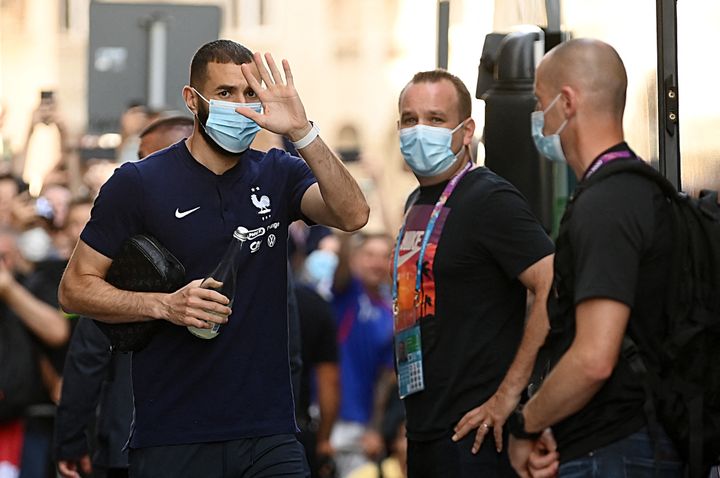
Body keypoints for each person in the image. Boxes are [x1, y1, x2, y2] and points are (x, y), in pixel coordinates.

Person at [58, 39, 368, 477]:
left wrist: (303, 131)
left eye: (250, 95)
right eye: (225, 94)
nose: (240, 107)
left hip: (270, 434)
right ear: (193, 100)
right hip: (173, 433)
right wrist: (165, 305)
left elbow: (354, 214)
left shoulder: (278, 171)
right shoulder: (138, 183)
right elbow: (74, 289)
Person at [506, 38, 683, 477]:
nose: (538, 118)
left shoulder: (607, 204)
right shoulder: (644, 191)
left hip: (617, 451)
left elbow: (593, 358)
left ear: (566, 103)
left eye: (540, 103)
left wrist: (526, 424)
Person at [394, 69, 554, 477]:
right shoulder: (417, 201)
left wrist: (509, 397)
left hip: (477, 437)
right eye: (410, 120)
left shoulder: (489, 198)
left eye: (434, 119)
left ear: (466, 131)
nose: (419, 131)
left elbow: (551, 282)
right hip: (424, 432)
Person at [54, 116, 194, 478]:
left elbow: (89, 352)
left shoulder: (127, 246)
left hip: (139, 442)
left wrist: (70, 440)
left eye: (145, 156)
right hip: (199, 441)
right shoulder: (236, 233)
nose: (136, 168)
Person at [331, 232, 396, 477]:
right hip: (329, 418)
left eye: (384, 256)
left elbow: (385, 379)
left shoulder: (390, 312)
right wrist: (347, 225)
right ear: (355, 258)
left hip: (361, 429)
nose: (377, 263)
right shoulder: (345, 294)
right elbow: (342, 269)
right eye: (369, 255)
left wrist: (375, 428)